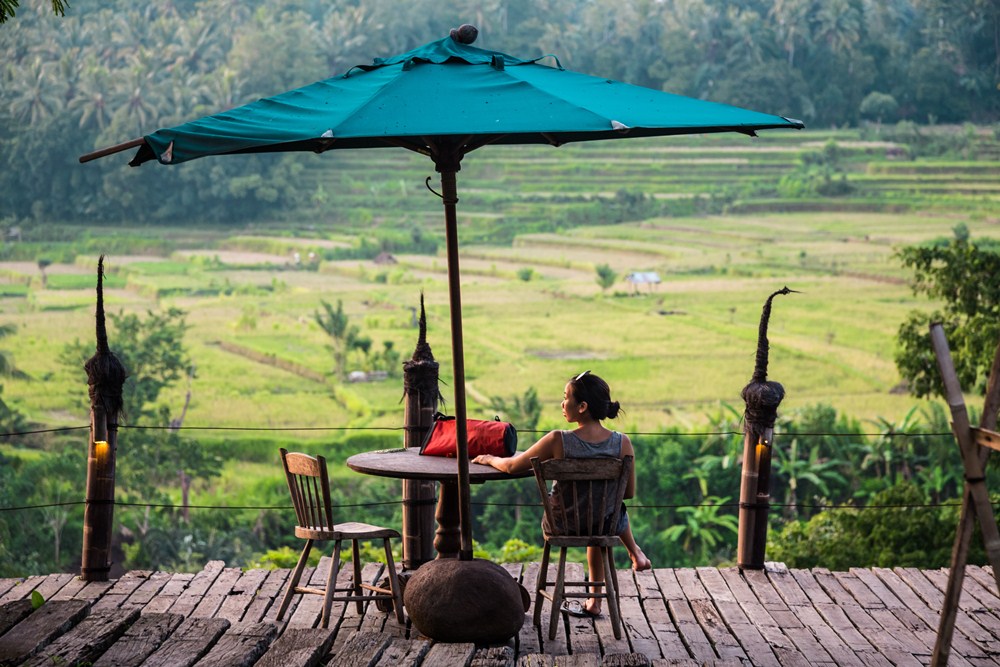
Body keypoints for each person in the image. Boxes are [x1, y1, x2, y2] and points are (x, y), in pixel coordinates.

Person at [472, 370, 651, 618]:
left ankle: (616, 575)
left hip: (563, 524)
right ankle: (611, 581)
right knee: (605, 513)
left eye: (566, 397)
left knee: (592, 516)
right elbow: (628, 493)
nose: (562, 403)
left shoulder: (558, 440)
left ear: (582, 407)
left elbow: (513, 466)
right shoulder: (623, 443)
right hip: (604, 525)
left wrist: (489, 458)